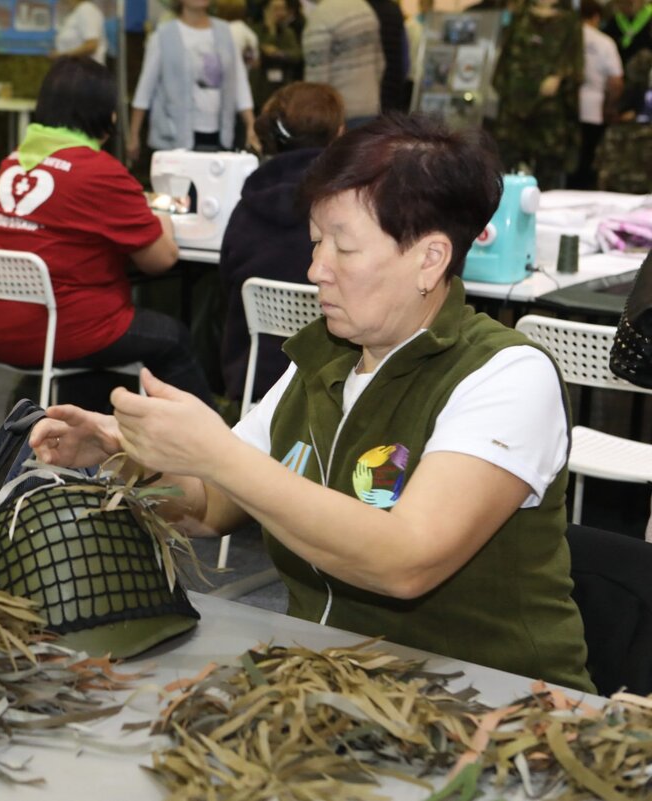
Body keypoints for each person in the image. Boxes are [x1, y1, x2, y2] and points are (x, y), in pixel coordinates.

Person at [29, 114, 594, 692]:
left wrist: (216, 453)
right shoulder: (326, 355)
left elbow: (406, 560)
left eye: (343, 248)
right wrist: (131, 457)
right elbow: (212, 507)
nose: (315, 270)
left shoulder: (505, 376)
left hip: (489, 706)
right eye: (316, 243)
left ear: (430, 259)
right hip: (333, 685)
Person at [0, 57, 214, 410]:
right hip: (58, 331)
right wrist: (160, 214)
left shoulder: (13, 162)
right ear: (108, 115)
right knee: (173, 338)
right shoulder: (98, 171)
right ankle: (208, 449)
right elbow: (161, 260)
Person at [218, 82, 344, 405]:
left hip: (252, 380)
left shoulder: (247, 206)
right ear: (339, 133)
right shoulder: (351, 211)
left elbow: (225, 281)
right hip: (332, 384)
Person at [128, 0, 257, 163]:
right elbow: (144, 90)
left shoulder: (226, 32)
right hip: (174, 135)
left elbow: (239, 82)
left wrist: (251, 124)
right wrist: (134, 135)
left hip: (221, 133)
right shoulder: (162, 35)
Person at [492, 0, 583, 189]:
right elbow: (504, 59)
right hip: (514, 101)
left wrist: (559, 75)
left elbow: (575, 61)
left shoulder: (569, 21)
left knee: (549, 163)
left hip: (549, 106)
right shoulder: (519, 16)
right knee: (506, 158)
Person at [569, 0, 624, 189]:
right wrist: (611, 107)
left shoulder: (567, 39)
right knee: (587, 164)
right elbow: (616, 81)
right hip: (593, 109)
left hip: (565, 110)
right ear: (596, 17)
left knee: (564, 164)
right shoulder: (604, 42)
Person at [302, 0, 384, 127]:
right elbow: (380, 63)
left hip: (339, 114)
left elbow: (317, 80)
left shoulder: (320, 17)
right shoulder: (364, 8)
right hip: (370, 105)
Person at [252, 0, 304, 104]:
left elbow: (297, 55)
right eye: (276, 9)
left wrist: (280, 53)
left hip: (283, 84)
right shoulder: (254, 31)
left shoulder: (288, 32)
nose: (281, 13)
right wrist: (271, 30)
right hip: (259, 87)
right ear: (265, 10)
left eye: (283, 9)